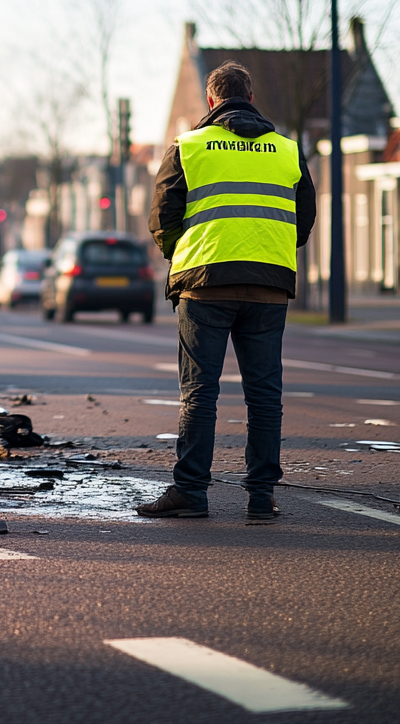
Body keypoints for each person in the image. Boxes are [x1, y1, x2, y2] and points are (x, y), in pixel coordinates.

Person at [135, 60, 316, 520]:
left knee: (200, 393)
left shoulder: (190, 146)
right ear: (251, 100)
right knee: (264, 395)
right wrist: (266, 247)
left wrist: (187, 252)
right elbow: (304, 219)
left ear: (212, 101)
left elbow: (161, 218)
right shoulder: (287, 150)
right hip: (268, 285)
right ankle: (261, 497)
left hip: (205, 287)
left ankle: (191, 494)